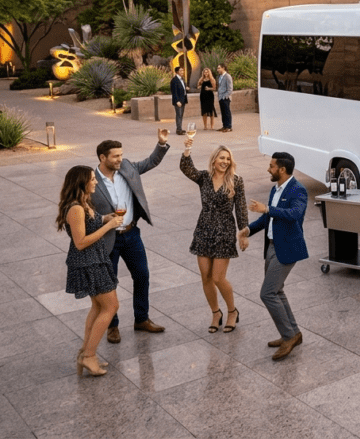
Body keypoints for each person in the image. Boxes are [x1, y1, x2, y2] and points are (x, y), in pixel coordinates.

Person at [92, 130, 170, 344]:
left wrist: (161, 144)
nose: (120, 159)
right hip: (107, 238)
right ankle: (112, 326)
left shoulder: (127, 167)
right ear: (102, 158)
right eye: (115, 156)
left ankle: (141, 319)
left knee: (142, 275)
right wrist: (102, 219)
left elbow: (151, 162)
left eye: (121, 154)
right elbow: (84, 211)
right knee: (109, 283)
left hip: (131, 234)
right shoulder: (91, 180)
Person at [239, 152, 309, 361]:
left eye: (271, 166)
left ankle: (288, 337)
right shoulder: (275, 189)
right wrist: (248, 230)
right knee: (277, 291)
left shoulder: (298, 189)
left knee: (267, 293)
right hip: (271, 247)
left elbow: (295, 214)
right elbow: (267, 218)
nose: (268, 169)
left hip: (287, 248)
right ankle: (293, 333)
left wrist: (268, 208)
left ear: (282, 169)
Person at [58, 166, 122, 376]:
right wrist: (109, 225)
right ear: (81, 182)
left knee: (98, 306)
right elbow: (81, 242)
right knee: (111, 306)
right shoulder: (75, 208)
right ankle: (89, 356)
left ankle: (85, 352)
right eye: (92, 179)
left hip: (96, 258)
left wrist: (104, 218)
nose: (95, 182)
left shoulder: (84, 203)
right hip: (89, 262)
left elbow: (91, 222)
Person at [181, 139, 247, 333]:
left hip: (224, 232)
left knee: (218, 277)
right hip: (203, 230)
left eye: (228, 158)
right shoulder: (204, 177)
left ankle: (232, 311)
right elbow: (186, 168)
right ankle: (216, 313)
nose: (225, 161)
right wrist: (187, 148)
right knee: (206, 277)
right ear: (214, 160)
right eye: (222, 157)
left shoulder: (236, 180)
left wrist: (243, 233)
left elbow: (241, 209)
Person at [171, 66, 188, 135]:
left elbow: (182, 88)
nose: (182, 72)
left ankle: (180, 128)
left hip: (183, 99)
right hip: (178, 101)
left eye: (182, 70)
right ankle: (179, 130)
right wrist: (177, 101)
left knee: (181, 115)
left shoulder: (182, 79)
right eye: (181, 71)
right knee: (179, 115)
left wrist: (186, 88)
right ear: (177, 72)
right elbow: (174, 92)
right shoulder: (174, 80)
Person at [217, 63, 233, 133]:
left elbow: (230, 89)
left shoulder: (228, 76)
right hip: (220, 98)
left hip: (225, 98)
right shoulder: (220, 76)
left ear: (223, 68)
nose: (218, 70)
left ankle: (229, 127)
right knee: (223, 113)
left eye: (219, 68)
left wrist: (225, 96)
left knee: (227, 112)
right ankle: (224, 126)